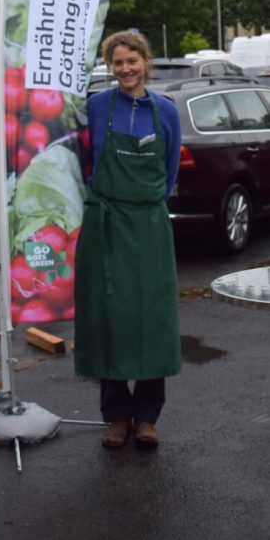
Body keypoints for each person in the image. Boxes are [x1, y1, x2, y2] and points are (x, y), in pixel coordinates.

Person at [74, 30, 182, 450]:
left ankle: (148, 416)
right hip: (106, 225)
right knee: (109, 320)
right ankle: (117, 416)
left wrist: (144, 204)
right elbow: (83, 159)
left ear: (145, 62)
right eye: (117, 62)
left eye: (131, 61)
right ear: (110, 66)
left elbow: (169, 171)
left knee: (152, 319)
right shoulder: (96, 106)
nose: (125, 69)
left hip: (150, 226)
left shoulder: (166, 111)